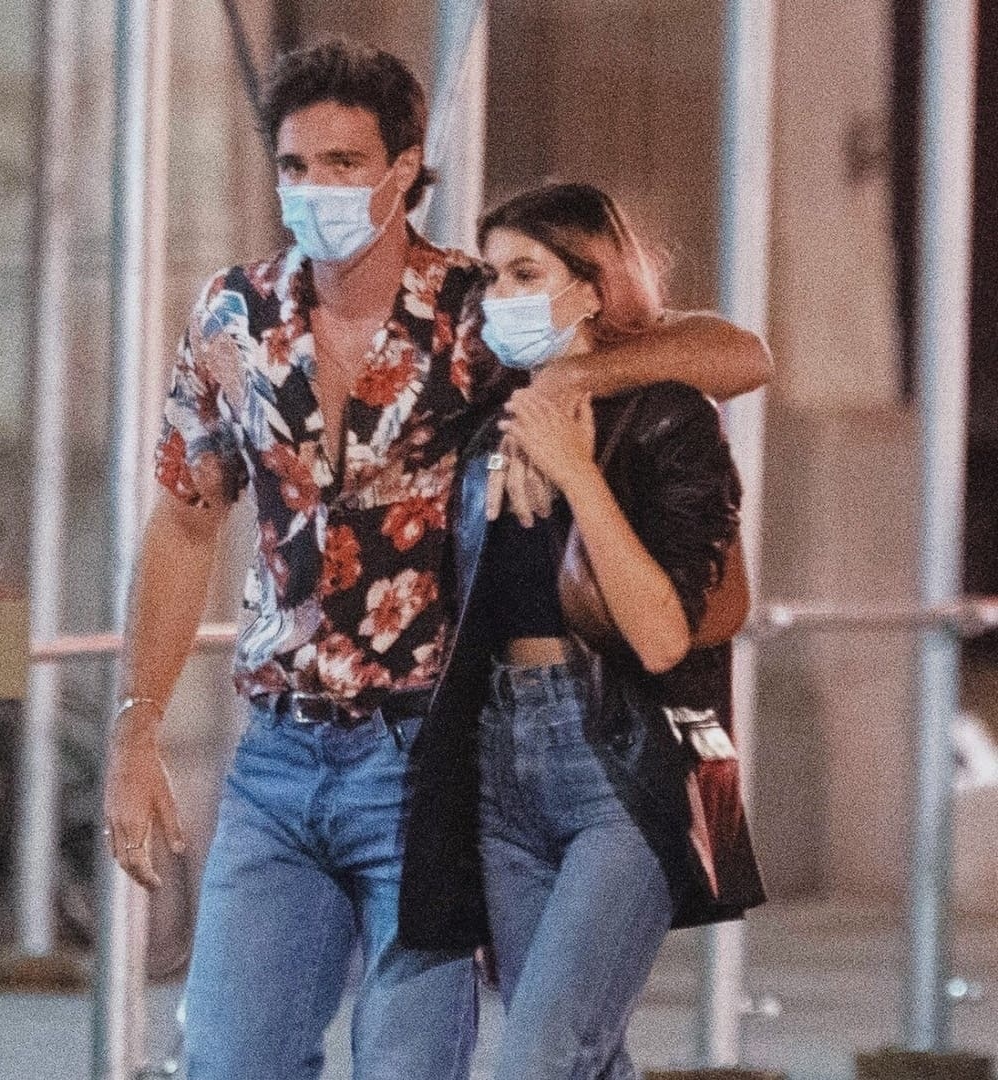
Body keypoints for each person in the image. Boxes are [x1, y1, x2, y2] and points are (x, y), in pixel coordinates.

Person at [101, 40, 771, 1080]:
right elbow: (186, 520)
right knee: (228, 1061)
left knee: (423, 1063)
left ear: (404, 168)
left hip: (425, 757)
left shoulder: (478, 308)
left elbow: (735, 354)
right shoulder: (234, 313)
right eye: (294, 166)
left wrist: (573, 385)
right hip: (276, 754)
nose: (315, 189)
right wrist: (138, 721)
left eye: (343, 163)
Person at [398, 183, 766, 1080]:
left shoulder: (666, 416)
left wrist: (575, 468)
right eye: (492, 277)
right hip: (503, 761)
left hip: (620, 758)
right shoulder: (489, 426)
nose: (501, 297)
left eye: (527, 274)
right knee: (580, 1060)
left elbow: (663, 638)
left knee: (542, 1060)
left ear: (592, 288)